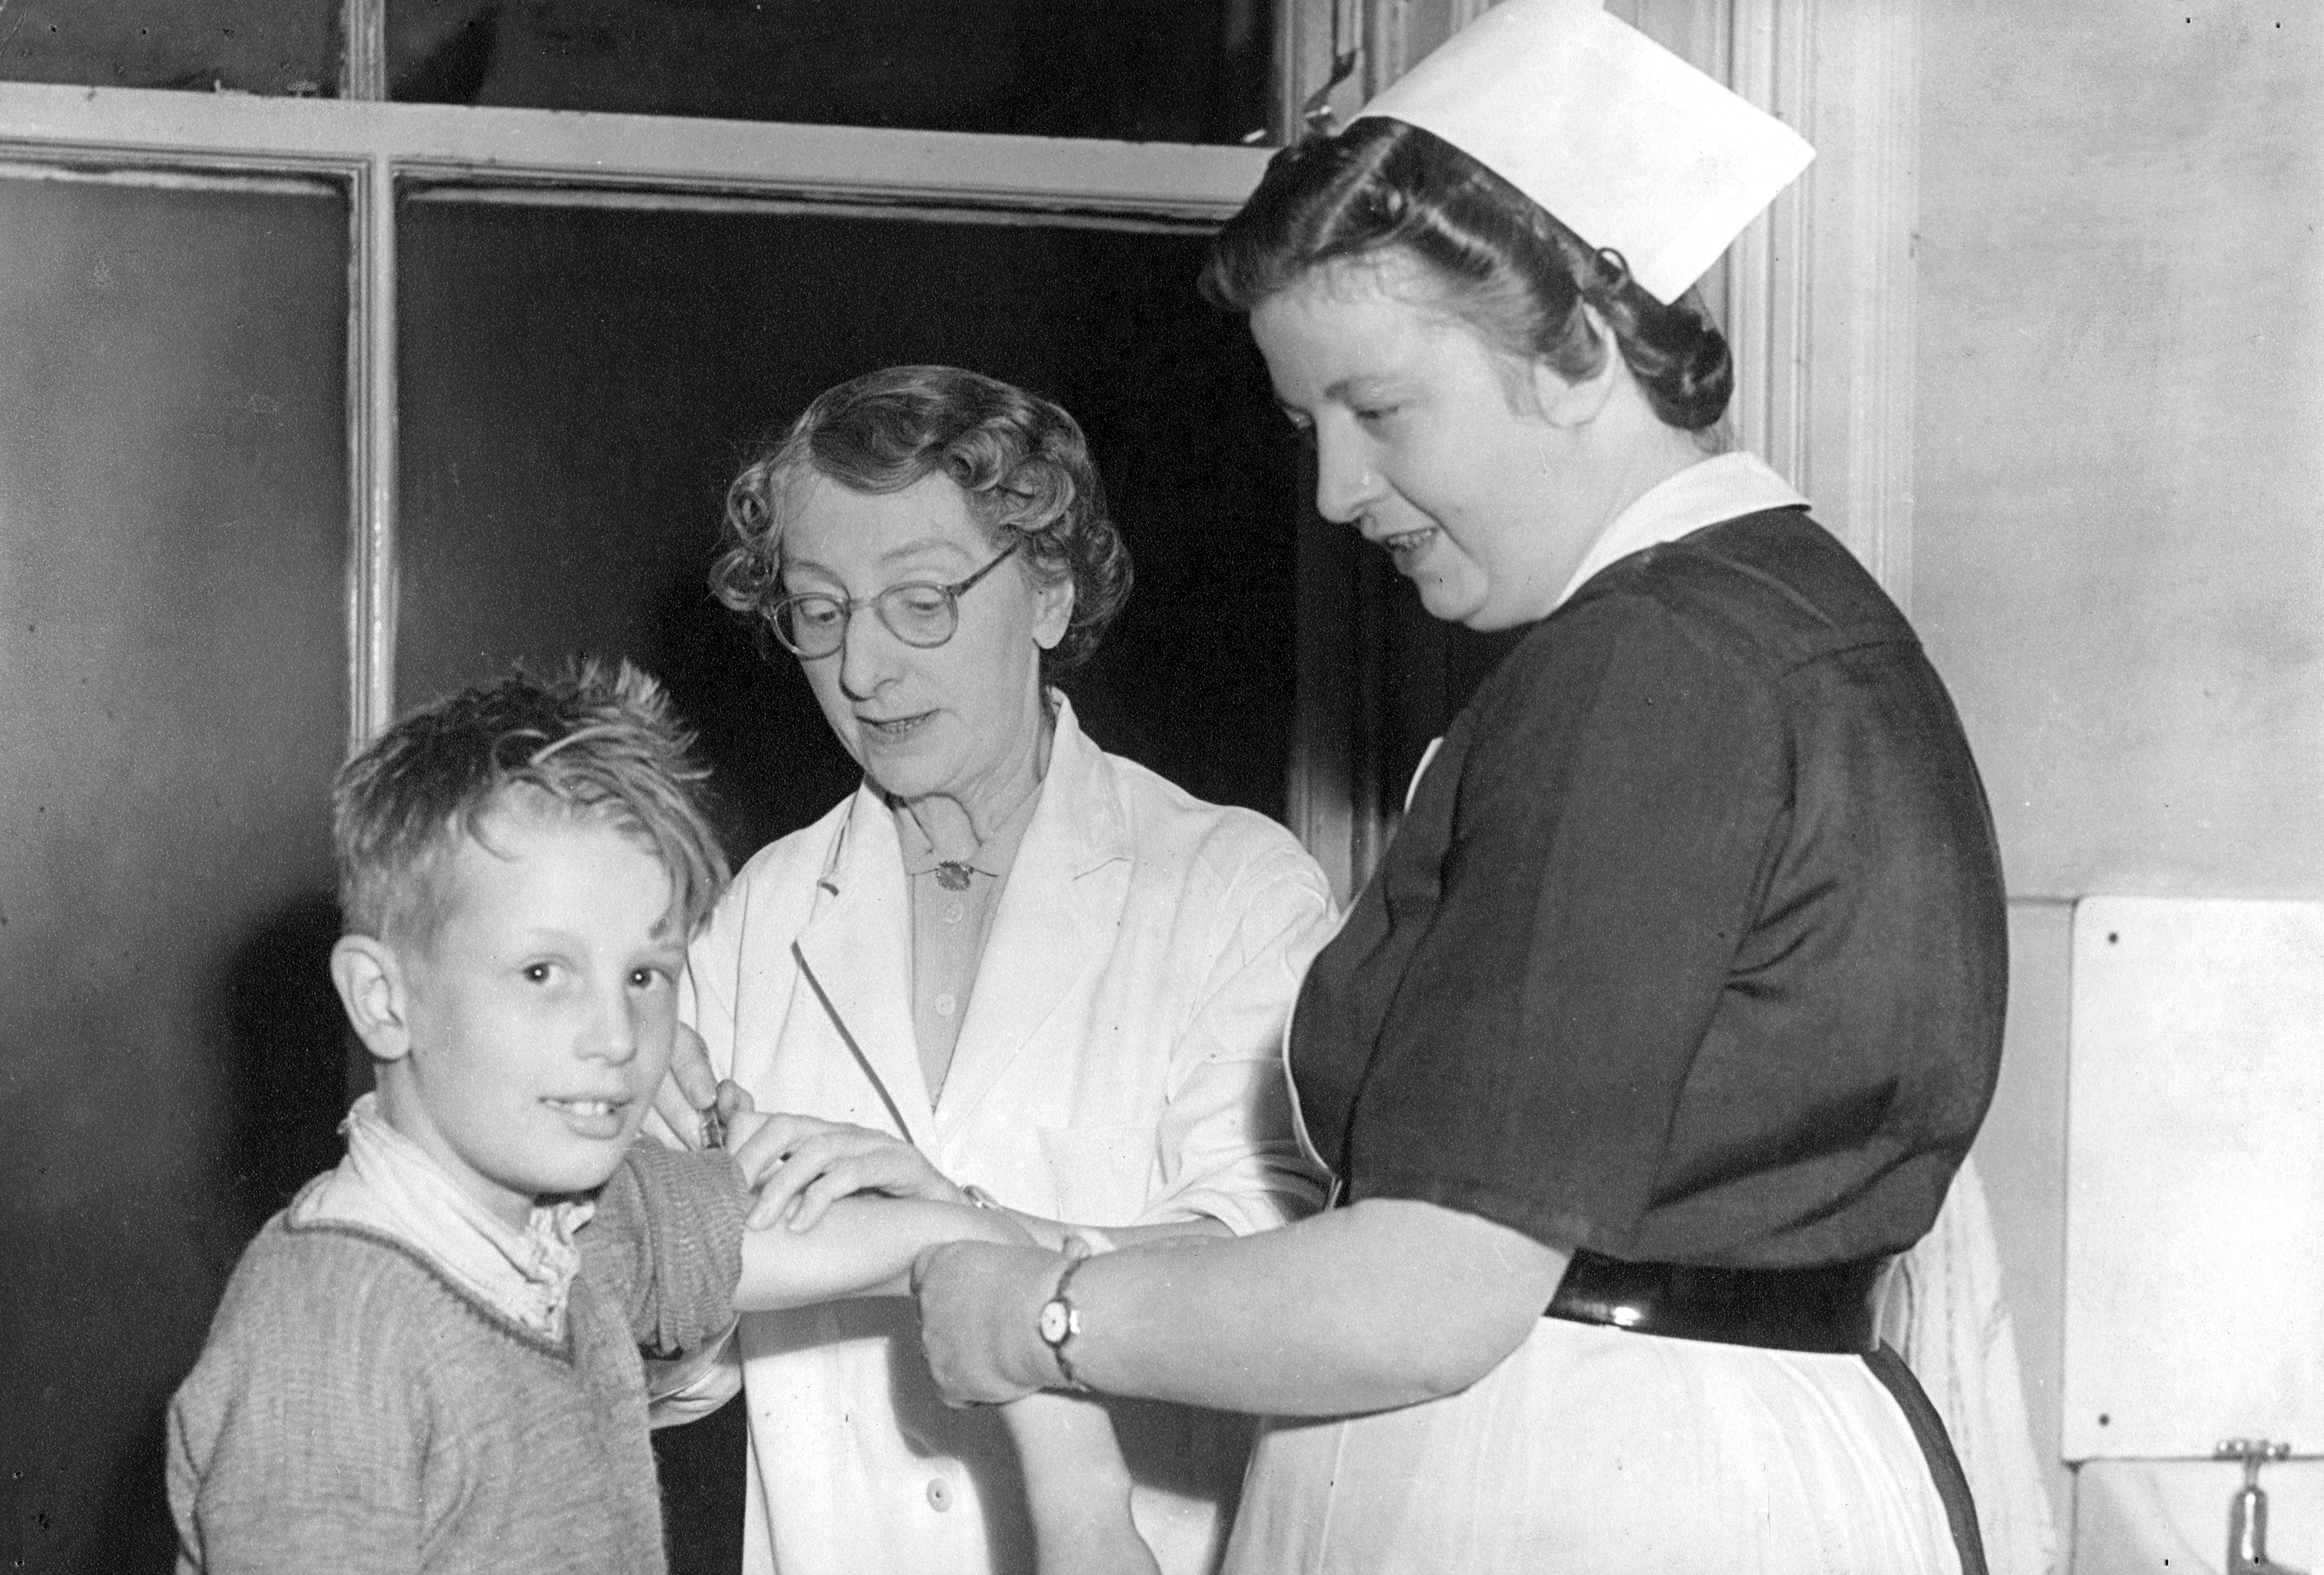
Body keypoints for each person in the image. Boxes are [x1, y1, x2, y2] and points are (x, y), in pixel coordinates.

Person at [908, 3, 2009, 1573]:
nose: (1339, 492)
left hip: (1595, 1486)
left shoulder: (1647, 671)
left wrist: (1047, 1316)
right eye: (1307, 427)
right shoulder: (1792, 623)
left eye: (1379, 409)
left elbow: (1430, 1289)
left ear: (1574, 351)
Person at [658, 365, 1336, 1575]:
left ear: (1046, 590)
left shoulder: (1231, 885)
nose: (862, 669)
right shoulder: (753, 917)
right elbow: (682, 1376)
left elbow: (1278, 1286)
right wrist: (644, 1219)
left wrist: (963, 1228)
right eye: (819, 612)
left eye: (919, 602)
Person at [163, 662, 1045, 1574]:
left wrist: (971, 1238)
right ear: (384, 1000)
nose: (618, 1037)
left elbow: (767, 1235)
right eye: (545, 974)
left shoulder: (561, 1219)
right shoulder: (329, 1339)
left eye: (645, 976)